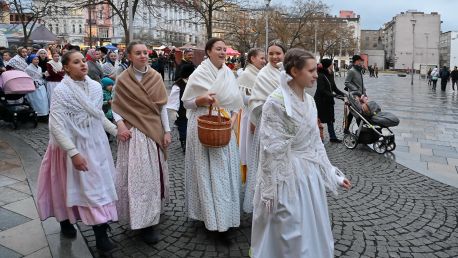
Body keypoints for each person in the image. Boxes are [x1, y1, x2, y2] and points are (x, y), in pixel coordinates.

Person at [251, 48, 351, 258]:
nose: (316, 75)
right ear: (295, 72)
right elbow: (269, 151)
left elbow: (316, 144)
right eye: (312, 70)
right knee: (289, 231)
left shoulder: (310, 101)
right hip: (287, 179)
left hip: (309, 178)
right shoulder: (275, 103)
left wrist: (331, 173)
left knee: (312, 230)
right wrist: (269, 192)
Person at [36, 50, 119, 253]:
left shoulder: (95, 86)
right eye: (76, 62)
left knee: (97, 187)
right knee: (65, 188)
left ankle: (100, 233)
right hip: (69, 147)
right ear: (65, 67)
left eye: (83, 61)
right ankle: (65, 220)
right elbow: (55, 125)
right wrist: (73, 152)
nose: (82, 64)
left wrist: (116, 131)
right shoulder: (61, 91)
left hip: (96, 144)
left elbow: (97, 114)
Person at [182, 38, 243, 240]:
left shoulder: (228, 73)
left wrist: (233, 118)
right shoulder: (199, 73)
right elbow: (187, 103)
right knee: (207, 174)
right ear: (208, 52)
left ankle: (227, 217)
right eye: (218, 49)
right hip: (203, 125)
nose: (223, 52)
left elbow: (235, 101)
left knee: (225, 172)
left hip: (224, 126)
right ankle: (211, 219)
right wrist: (201, 99)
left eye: (224, 49)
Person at [112, 41, 171, 244]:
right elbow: (116, 105)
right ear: (129, 56)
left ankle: (151, 217)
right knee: (137, 179)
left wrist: (168, 131)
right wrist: (119, 125)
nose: (143, 56)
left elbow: (162, 107)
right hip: (132, 134)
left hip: (153, 132)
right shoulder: (122, 79)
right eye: (138, 53)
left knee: (152, 178)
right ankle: (139, 218)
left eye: (145, 52)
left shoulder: (156, 77)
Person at [245, 40, 286, 213]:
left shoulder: (290, 72)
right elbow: (255, 101)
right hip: (269, 123)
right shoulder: (263, 74)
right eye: (271, 54)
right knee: (266, 162)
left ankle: (284, 199)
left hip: (287, 125)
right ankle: (263, 202)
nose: (275, 57)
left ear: (284, 54)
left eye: (278, 53)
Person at [237, 48, 266, 212]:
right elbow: (241, 97)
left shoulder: (260, 74)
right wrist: (261, 99)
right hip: (250, 117)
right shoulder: (246, 75)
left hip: (260, 116)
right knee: (251, 155)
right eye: (261, 58)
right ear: (252, 58)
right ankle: (251, 190)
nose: (264, 61)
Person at [166, 64, 195, 153]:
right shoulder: (178, 85)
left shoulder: (193, 82)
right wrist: (173, 111)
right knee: (183, 129)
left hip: (192, 111)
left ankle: (190, 143)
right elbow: (173, 98)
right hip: (181, 112)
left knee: (191, 128)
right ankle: (184, 143)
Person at [315, 58, 345, 143]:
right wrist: (334, 95)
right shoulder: (320, 75)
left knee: (330, 119)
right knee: (318, 119)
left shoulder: (330, 74)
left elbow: (334, 88)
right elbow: (322, 90)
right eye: (331, 64)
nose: (333, 65)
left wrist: (343, 94)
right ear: (328, 65)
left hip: (328, 101)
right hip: (320, 102)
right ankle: (317, 137)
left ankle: (333, 137)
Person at [344, 54, 366, 134]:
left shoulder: (358, 70)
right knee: (358, 112)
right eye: (361, 61)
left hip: (360, 95)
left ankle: (346, 129)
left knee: (352, 113)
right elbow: (346, 82)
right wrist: (355, 89)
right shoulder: (352, 71)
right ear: (357, 61)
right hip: (354, 96)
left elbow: (361, 84)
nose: (362, 63)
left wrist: (364, 93)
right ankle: (361, 132)